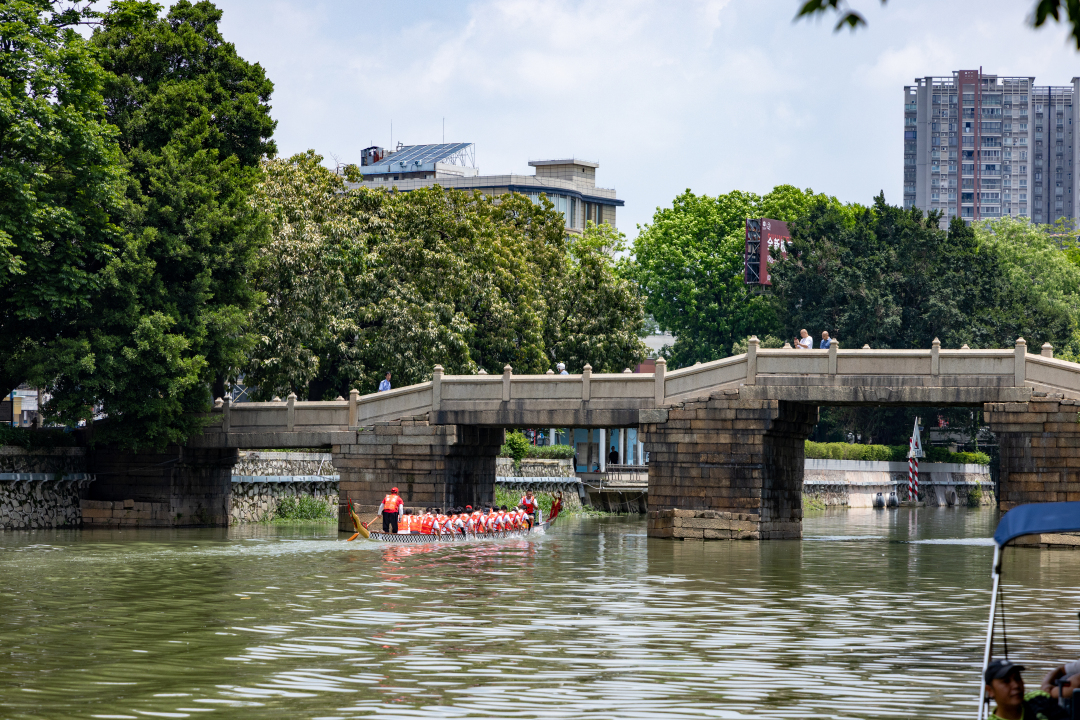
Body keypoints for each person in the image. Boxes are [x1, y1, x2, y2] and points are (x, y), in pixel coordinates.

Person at [984, 659, 1066, 720]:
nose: (1016, 685)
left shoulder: (1040, 699)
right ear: (990, 690)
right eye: (1006, 681)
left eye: (1017, 678)